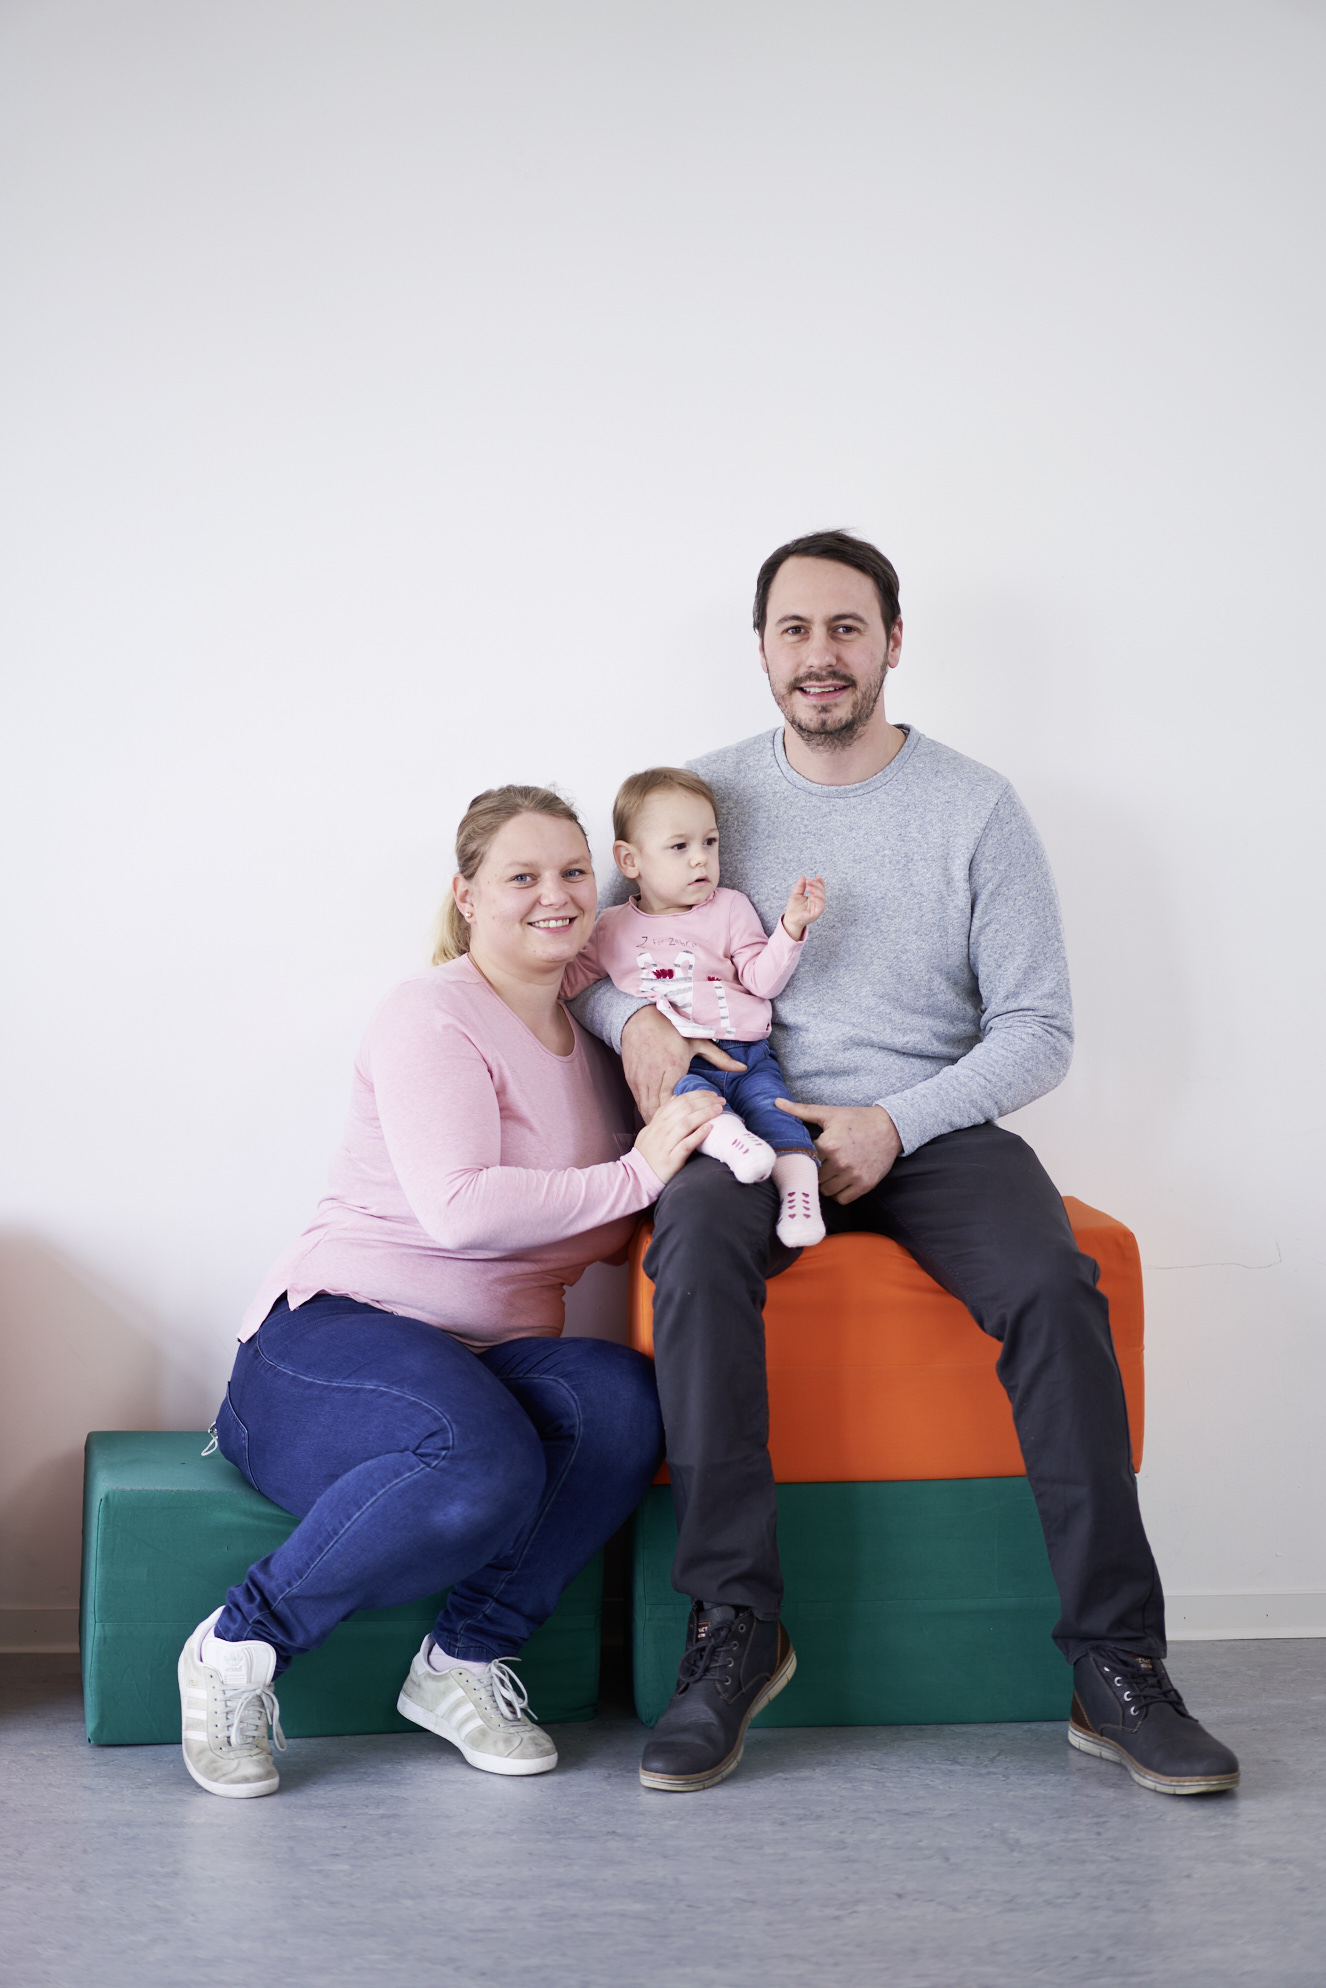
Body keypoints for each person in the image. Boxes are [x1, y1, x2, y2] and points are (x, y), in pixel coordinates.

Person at [573, 530, 1241, 1799]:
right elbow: (601, 968)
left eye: (845, 627)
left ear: (891, 640)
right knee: (697, 1252)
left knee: (1053, 1282)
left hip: (927, 1126)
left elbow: (1038, 1027)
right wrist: (646, 1027)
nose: (818, 654)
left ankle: (1116, 1662)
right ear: (762, 649)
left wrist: (897, 1123)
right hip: (750, 1119)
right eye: (793, 630)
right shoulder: (693, 801)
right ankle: (734, 1625)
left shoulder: (977, 805)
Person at [180, 784, 721, 1799]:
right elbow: (464, 1210)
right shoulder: (429, 1012)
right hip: (327, 1346)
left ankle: (464, 1659)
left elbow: (599, 1225)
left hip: (484, 1357)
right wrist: (644, 1171)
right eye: (522, 875)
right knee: (483, 1456)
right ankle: (235, 1647)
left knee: (621, 1401)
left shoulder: (598, 1049)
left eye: (572, 873)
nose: (555, 895)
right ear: (468, 895)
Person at [560, 765, 828, 1247]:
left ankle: (800, 1202)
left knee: (777, 1114)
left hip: (749, 1054)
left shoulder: (729, 908)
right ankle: (734, 1145)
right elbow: (567, 985)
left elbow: (760, 980)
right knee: (684, 1101)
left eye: (710, 842)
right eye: (679, 847)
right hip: (678, 1060)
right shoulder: (610, 928)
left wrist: (789, 930)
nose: (700, 860)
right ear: (629, 860)